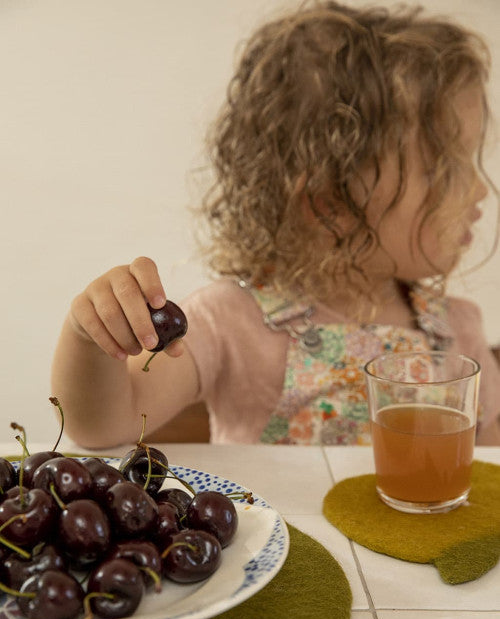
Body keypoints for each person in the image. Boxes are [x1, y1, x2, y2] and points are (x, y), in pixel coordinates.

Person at [51, 0, 500, 448]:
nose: (480, 191)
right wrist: (89, 336)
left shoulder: (459, 330)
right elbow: (101, 426)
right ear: (330, 202)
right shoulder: (231, 322)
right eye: (447, 170)